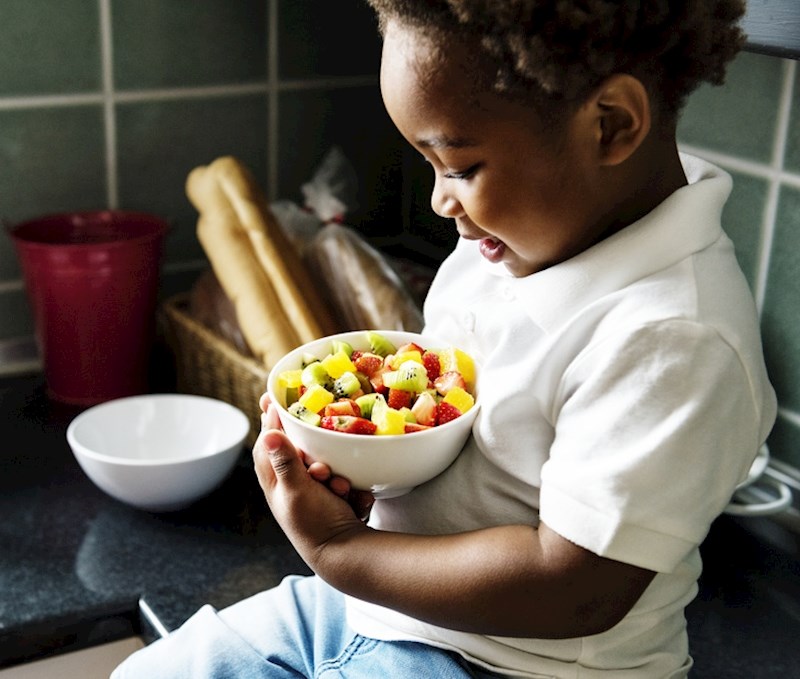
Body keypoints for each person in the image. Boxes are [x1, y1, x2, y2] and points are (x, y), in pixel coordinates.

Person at [113, 1, 776, 677]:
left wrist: (341, 551)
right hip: (368, 609)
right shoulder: (503, 246)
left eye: (459, 166)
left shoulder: (671, 338)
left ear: (610, 125)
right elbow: (469, 448)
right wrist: (363, 470)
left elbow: (576, 586)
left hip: (506, 665)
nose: (439, 200)